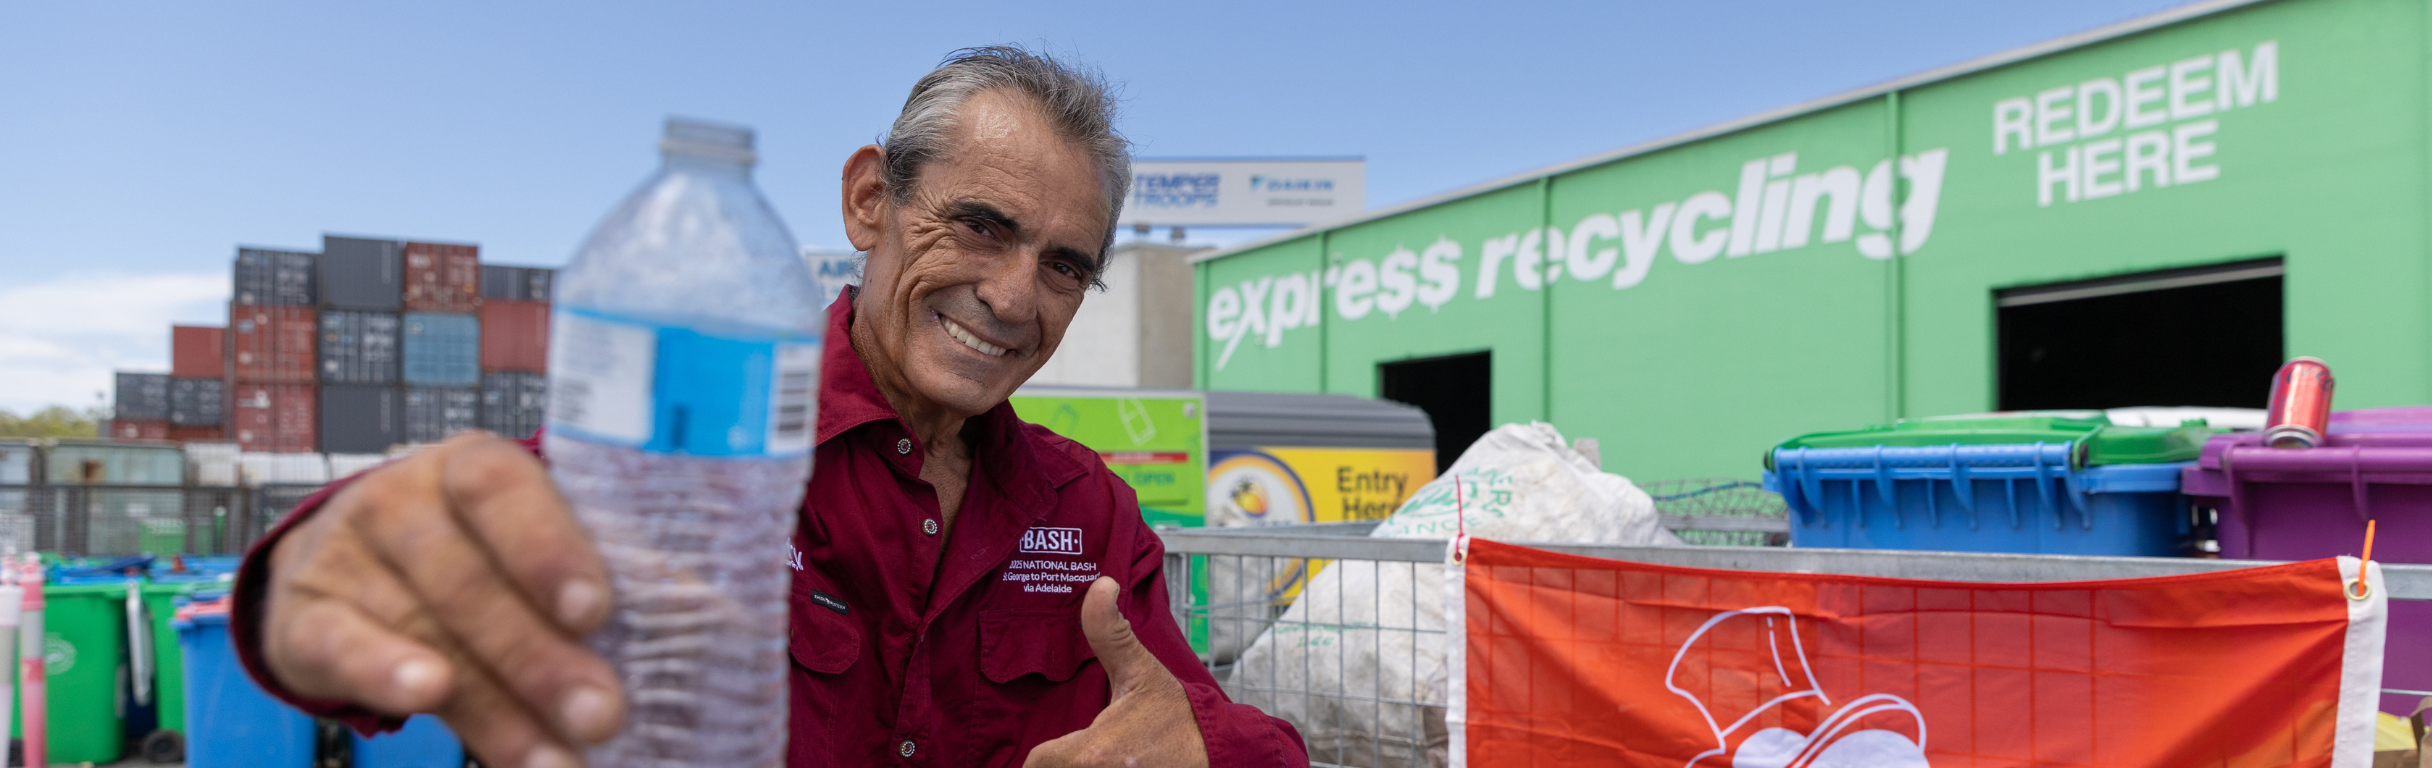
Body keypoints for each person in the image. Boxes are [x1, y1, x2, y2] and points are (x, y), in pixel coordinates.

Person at [231, 46, 1310, 768]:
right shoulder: (704, 444)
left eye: (1064, 266)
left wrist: (1203, 742)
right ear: (867, 201)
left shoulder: (1086, 514)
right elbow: (449, 547)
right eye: (980, 226)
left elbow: (1197, 730)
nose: (1014, 296)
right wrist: (334, 567)